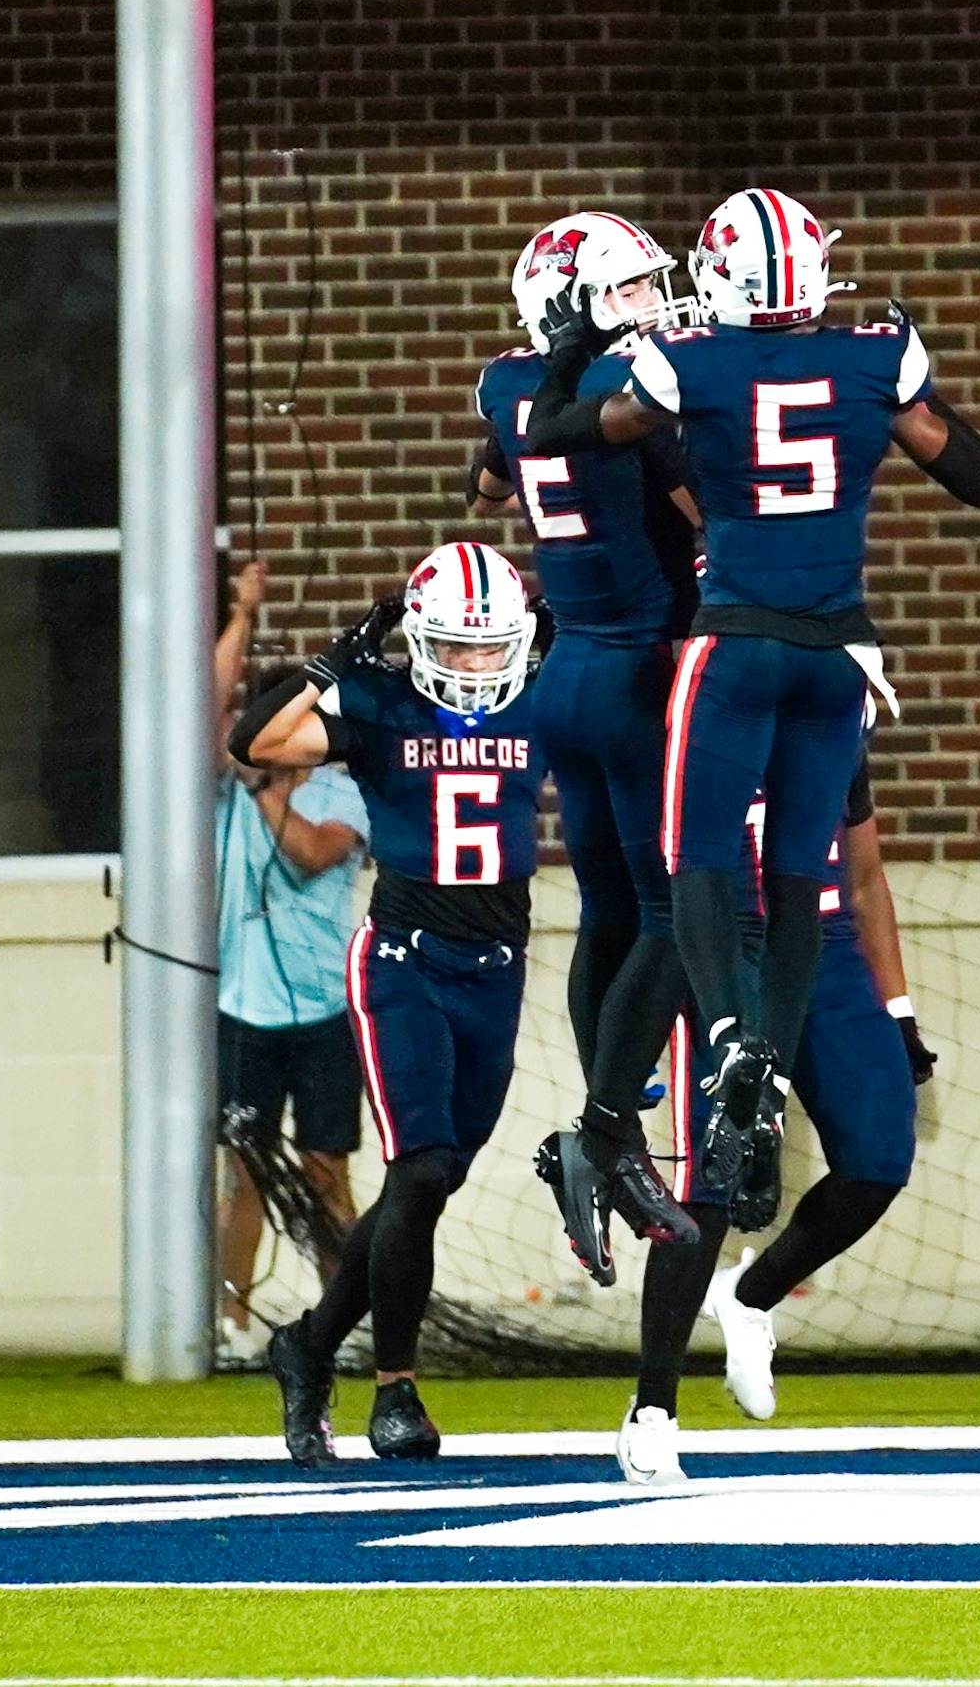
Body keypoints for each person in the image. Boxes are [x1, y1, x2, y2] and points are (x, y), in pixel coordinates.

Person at [524, 186, 980, 1238]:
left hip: (731, 648)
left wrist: (567, 351)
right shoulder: (875, 360)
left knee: (694, 865)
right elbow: (979, 476)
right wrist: (908, 369)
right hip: (837, 656)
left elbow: (563, 428)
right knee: (798, 880)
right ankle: (765, 1068)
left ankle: (728, 1039)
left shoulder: (688, 365)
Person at [228, 541, 545, 1466]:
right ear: (419, 639)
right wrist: (331, 660)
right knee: (418, 1169)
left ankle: (309, 1344)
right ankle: (395, 1390)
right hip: (404, 957)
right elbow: (255, 739)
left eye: (494, 648)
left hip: (499, 964)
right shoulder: (380, 700)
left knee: (432, 1180)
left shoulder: (542, 695)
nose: (480, 665)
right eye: (460, 645)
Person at [470, 211, 702, 1287]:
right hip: (638, 671)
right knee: (674, 912)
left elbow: (486, 486)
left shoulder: (501, 384)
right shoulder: (626, 397)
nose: (657, 303)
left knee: (608, 910)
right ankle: (608, 1130)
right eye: (637, 288)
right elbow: (714, 506)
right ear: (584, 301)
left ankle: (607, 1110)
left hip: (559, 674)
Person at [617, 745, 937, 1486]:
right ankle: (653, 1410)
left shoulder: (833, 720)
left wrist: (899, 1009)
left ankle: (749, 1295)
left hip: (827, 954)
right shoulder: (695, 719)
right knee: (710, 1178)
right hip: (729, 953)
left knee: (879, 1157)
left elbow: (863, 877)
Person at [213, 561, 370, 1361]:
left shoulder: (340, 792)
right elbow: (205, 713)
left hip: (326, 1011)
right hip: (245, 1008)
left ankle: (341, 1319)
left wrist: (269, 785)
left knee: (325, 1170)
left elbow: (313, 856)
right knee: (243, 1169)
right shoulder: (226, 793)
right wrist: (242, 616)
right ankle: (231, 1322)